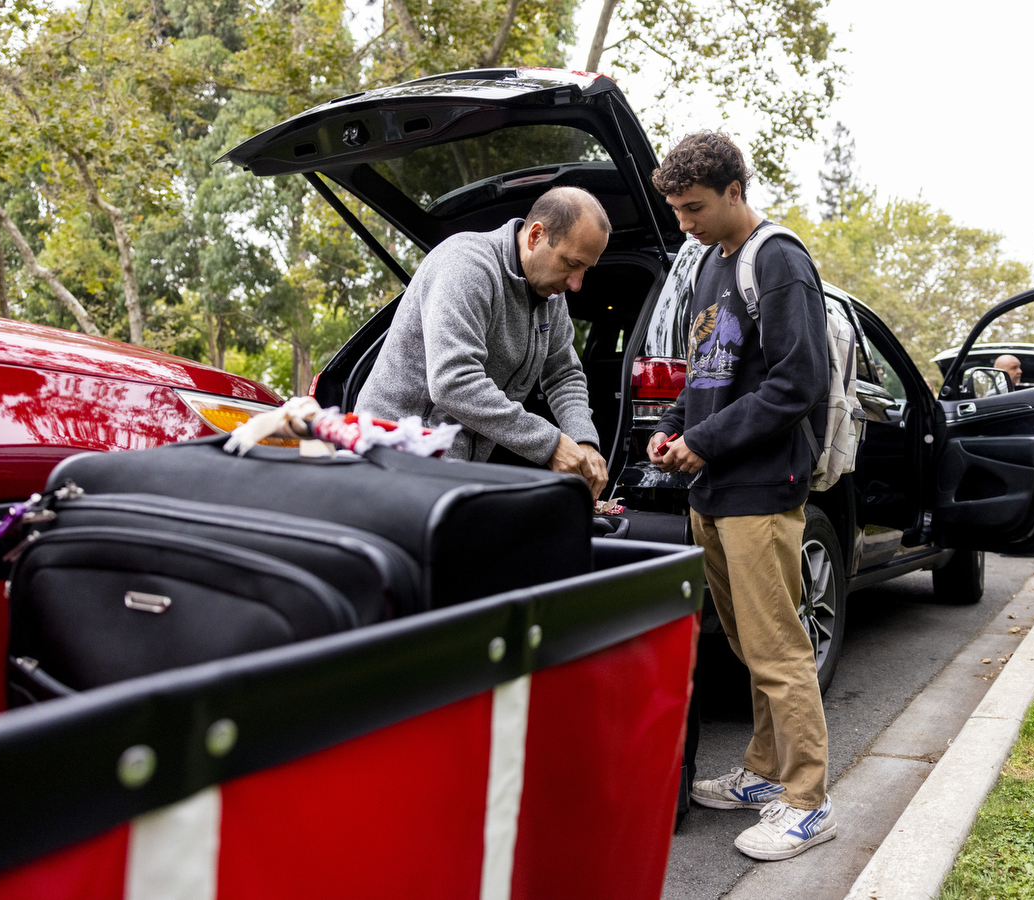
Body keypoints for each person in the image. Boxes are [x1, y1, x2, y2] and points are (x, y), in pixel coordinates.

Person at [645, 131, 836, 861]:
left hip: (760, 487)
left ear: (734, 191)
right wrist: (670, 430)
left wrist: (709, 440)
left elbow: (798, 383)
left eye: (694, 208)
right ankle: (764, 772)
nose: (683, 224)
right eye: (676, 211)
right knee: (749, 645)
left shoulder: (778, 260)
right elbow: (703, 377)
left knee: (779, 646)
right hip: (711, 487)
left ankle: (810, 800)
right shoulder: (706, 267)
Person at [355, 187, 610, 498]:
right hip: (395, 462)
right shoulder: (466, 265)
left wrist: (583, 439)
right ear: (535, 236)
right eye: (572, 263)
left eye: (586, 269)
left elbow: (563, 374)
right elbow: (453, 381)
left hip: (454, 469)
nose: (577, 283)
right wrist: (551, 443)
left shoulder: (550, 293)